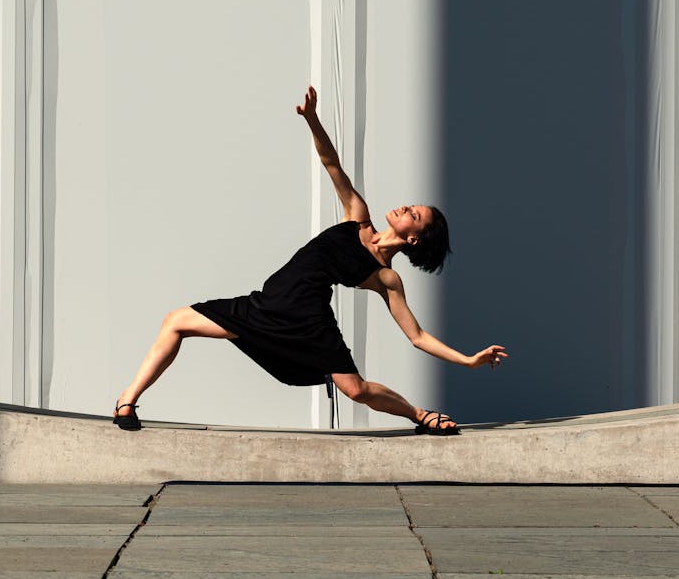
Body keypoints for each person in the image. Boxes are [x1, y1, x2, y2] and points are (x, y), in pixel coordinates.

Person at [113, 86, 506, 432]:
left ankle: (418, 414)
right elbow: (331, 164)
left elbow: (417, 337)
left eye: (413, 214)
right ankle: (126, 402)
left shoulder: (386, 278)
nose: (404, 208)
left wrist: (468, 361)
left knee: (356, 389)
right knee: (175, 321)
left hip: (310, 322)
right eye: (411, 206)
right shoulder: (358, 215)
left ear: (414, 238)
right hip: (268, 304)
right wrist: (313, 121)